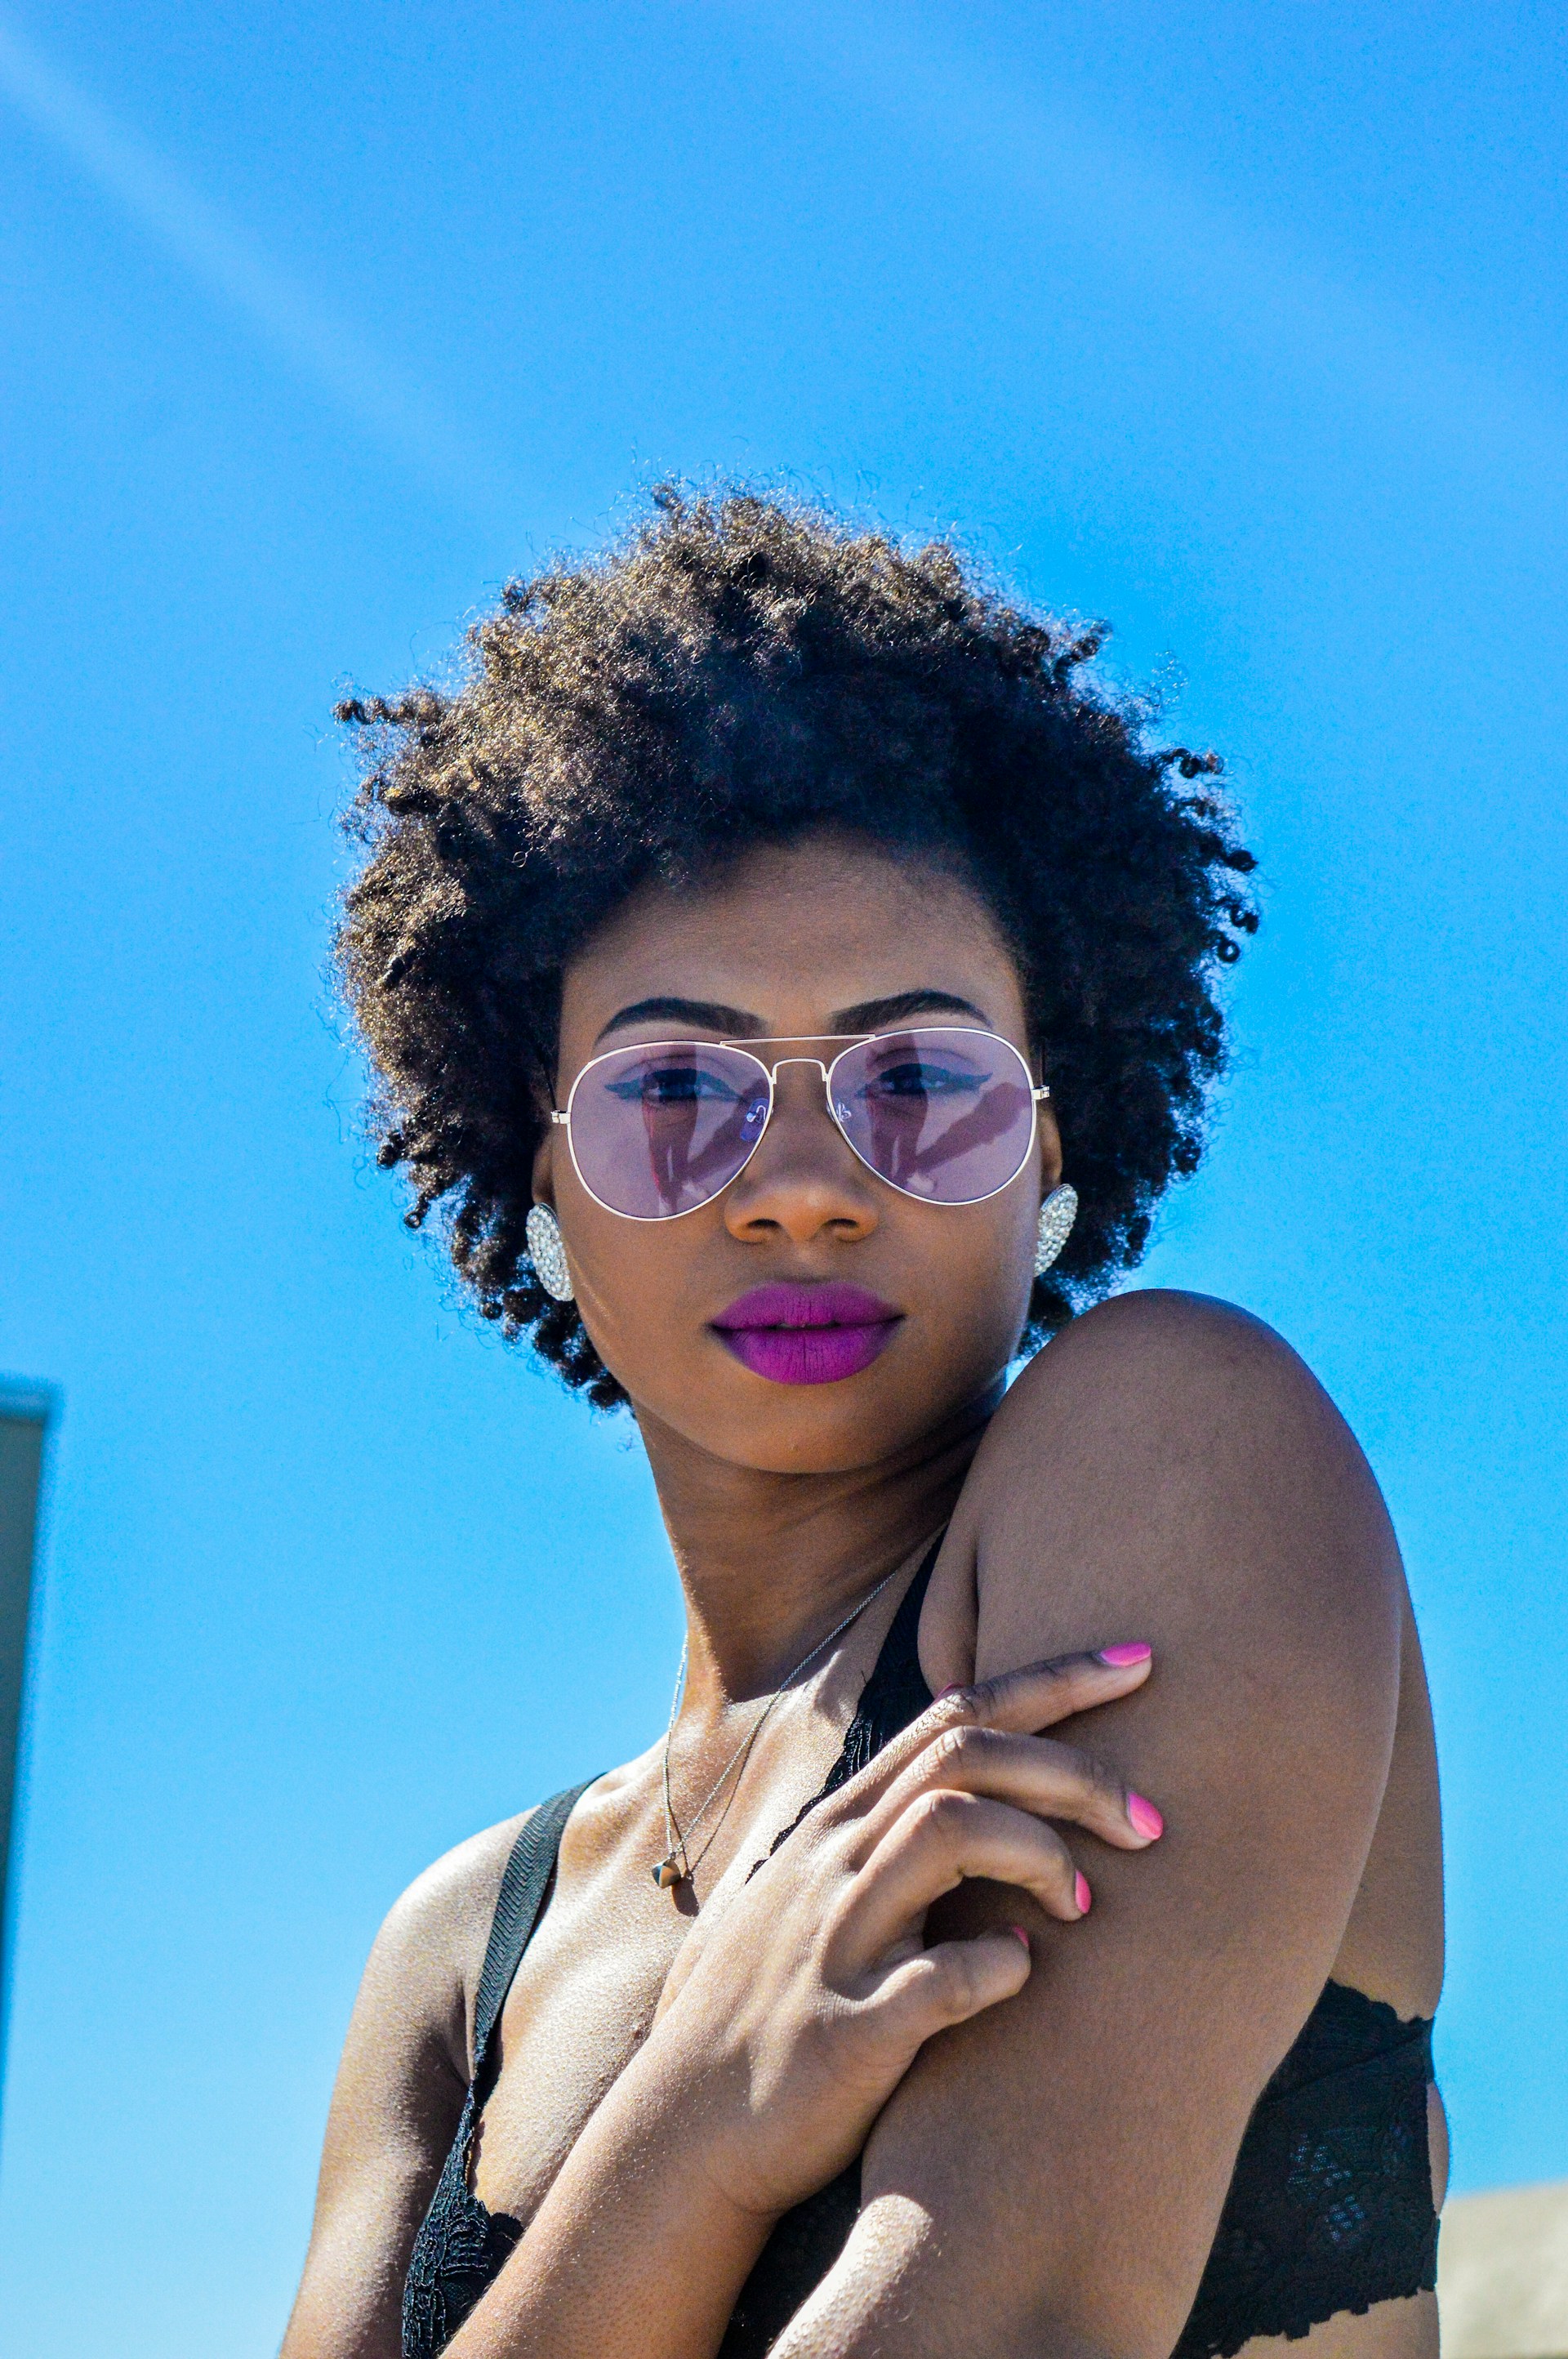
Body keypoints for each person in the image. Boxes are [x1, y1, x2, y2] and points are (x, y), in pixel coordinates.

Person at [282, 490, 1445, 2359]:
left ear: (1050, 1152)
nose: (807, 1187)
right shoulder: (459, 1954)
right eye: (678, 1094)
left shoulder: (1183, 1452)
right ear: (540, 1177)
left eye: (920, 1079)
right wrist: (692, 2132)